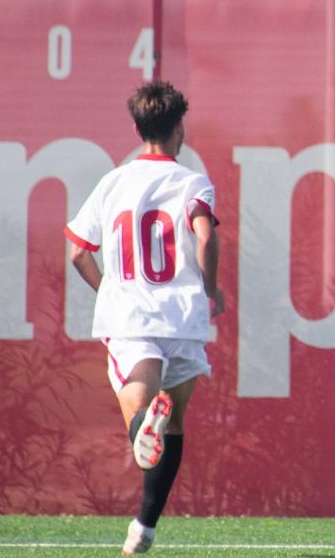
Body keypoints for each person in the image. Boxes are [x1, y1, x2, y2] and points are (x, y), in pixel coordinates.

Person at [64, 81, 224, 555]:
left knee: (141, 411)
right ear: (180, 129)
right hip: (182, 316)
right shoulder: (193, 181)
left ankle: (141, 430)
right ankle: (145, 527)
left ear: (137, 128)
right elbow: (206, 238)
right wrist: (210, 288)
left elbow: (77, 252)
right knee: (173, 424)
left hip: (131, 313)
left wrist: (107, 288)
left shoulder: (114, 181)